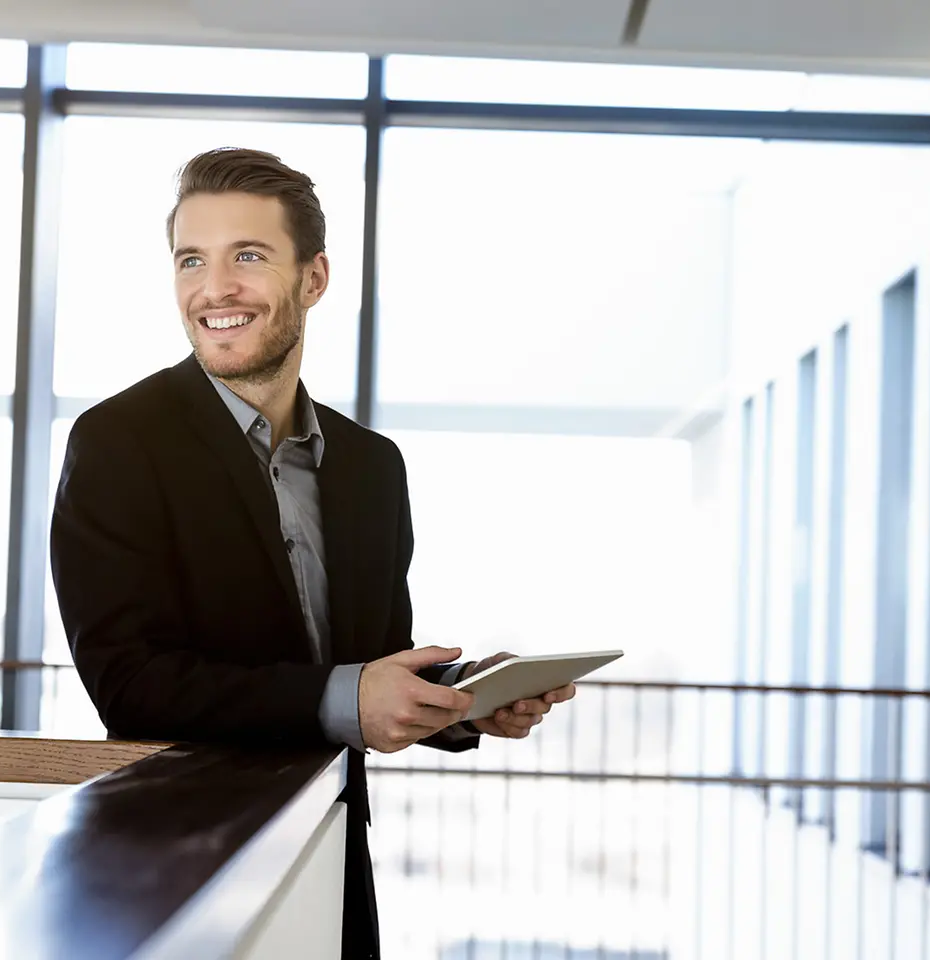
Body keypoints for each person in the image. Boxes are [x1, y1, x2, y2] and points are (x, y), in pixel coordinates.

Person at [49, 147, 576, 959]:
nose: (213, 288)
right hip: (176, 868)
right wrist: (351, 698)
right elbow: (129, 684)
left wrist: (463, 700)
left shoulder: (371, 465)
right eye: (192, 260)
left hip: (331, 848)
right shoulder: (119, 443)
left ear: (314, 279)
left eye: (248, 256)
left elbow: (365, 668)